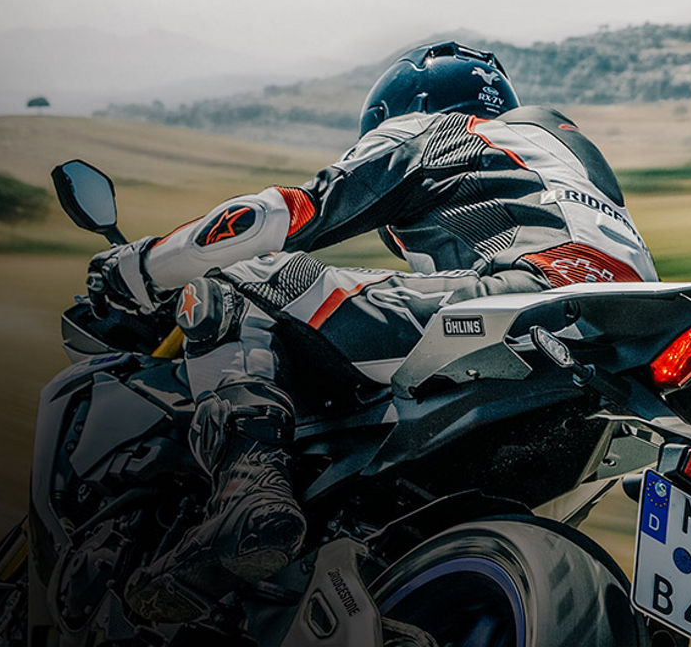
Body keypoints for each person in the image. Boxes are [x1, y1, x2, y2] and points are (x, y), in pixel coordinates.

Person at [88, 41, 659, 621]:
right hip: (627, 344)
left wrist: (137, 268)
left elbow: (276, 217)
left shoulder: (434, 128)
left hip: (525, 303)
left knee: (240, 279)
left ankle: (248, 490)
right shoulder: (569, 161)